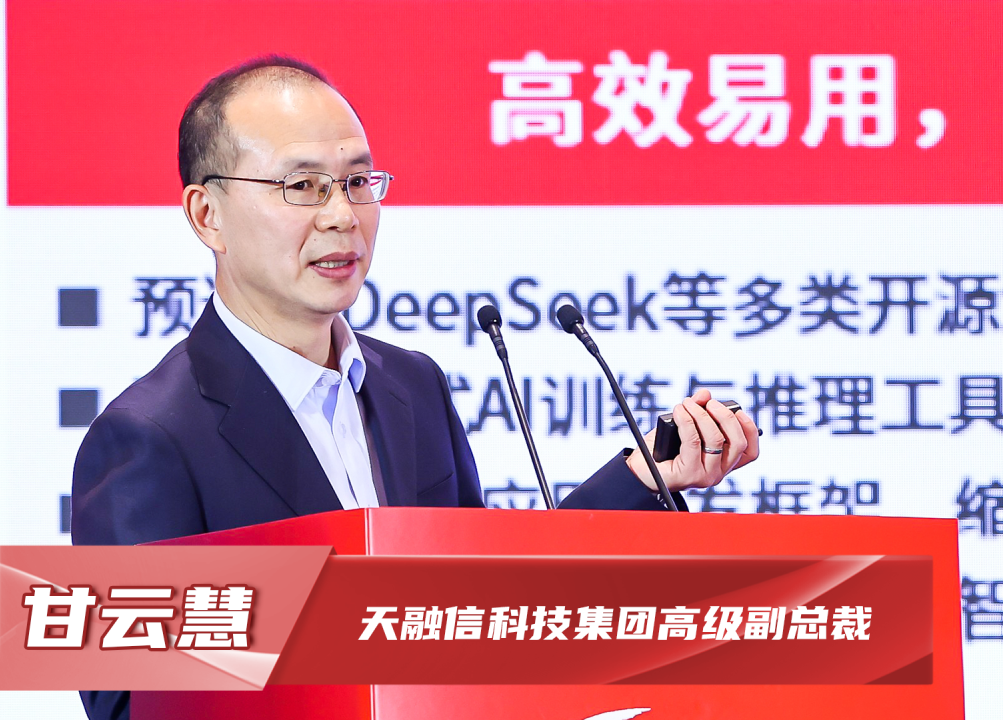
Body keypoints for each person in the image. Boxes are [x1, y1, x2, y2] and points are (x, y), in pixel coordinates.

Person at [71, 56, 760, 720]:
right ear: (207, 215)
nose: (342, 214)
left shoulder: (410, 384)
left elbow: (488, 611)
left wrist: (646, 476)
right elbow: (132, 703)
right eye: (302, 186)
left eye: (357, 181)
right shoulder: (149, 438)